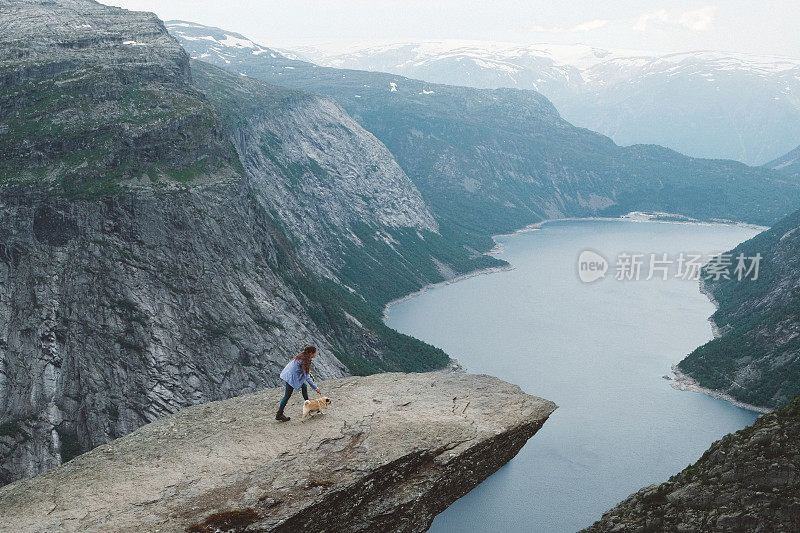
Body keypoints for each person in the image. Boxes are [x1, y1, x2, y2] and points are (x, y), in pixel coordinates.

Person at [276, 345, 321, 422]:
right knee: (287, 396)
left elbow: (303, 371)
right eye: (314, 353)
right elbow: (307, 378)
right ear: (311, 353)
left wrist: (308, 373)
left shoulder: (302, 356)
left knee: (304, 386)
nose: (315, 355)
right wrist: (316, 388)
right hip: (291, 378)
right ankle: (279, 414)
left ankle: (309, 406)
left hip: (289, 374)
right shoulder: (305, 361)